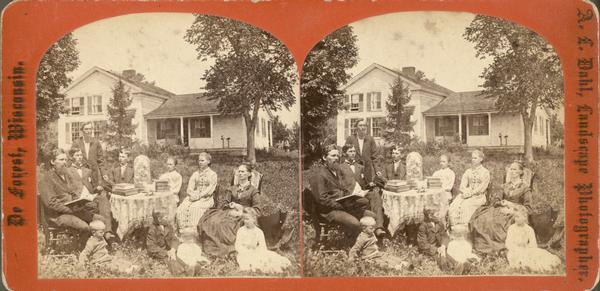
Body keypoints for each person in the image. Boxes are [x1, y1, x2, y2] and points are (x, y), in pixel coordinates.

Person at [38, 147, 105, 248]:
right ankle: (81, 252)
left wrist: (82, 201)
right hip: (57, 216)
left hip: (72, 210)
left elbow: (73, 193)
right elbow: (51, 203)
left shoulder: (66, 176)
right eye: (61, 160)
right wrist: (71, 210)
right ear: (52, 161)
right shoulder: (46, 179)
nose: (64, 162)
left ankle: (93, 249)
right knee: (85, 227)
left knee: (100, 219)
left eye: (65, 159)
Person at [309, 144, 374, 242]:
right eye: (333, 156)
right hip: (328, 211)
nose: (337, 158)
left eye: (337, 155)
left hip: (342, 206)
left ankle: (366, 243)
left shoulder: (337, 171)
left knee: (372, 216)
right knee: (355, 224)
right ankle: (354, 247)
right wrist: (342, 205)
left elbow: (344, 189)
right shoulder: (319, 175)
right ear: (324, 157)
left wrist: (351, 197)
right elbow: (321, 199)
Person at [198, 163, 264, 257]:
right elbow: (224, 203)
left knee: (227, 226)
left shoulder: (253, 191)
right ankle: (213, 246)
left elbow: (257, 209)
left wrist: (241, 209)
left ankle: (226, 249)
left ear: (249, 174)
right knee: (213, 221)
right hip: (230, 212)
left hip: (243, 215)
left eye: (243, 171)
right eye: (239, 171)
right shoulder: (232, 188)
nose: (240, 173)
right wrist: (230, 207)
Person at [470, 161, 532, 254]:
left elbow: (528, 208)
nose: (511, 171)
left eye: (514, 169)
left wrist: (511, 205)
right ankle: (483, 247)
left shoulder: (525, 188)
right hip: (501, 209)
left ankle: (497, 248)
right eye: (510, 169)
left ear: (520, 172)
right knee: (484, 219)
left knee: (499, 224)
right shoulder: (505, 186)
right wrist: (501, 202)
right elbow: (496, 200)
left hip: (515, 212)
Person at [339, 144, 386, 238]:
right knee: (365, 201)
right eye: (350, 151)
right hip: (350, 196)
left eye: (354, 151)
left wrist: (369, 185)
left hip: (361, 193)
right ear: (344, 153)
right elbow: (340, 185)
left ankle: (379, 228)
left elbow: (363, 184)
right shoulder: (340, 167)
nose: (353, 153)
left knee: (375, 195)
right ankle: (372, 229)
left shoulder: (360, 167)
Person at [66, 146, 113, 234]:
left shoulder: (87, 170)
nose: (80, 157)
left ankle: (108, 231)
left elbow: (91, 186)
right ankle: (104, 234)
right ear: (72, 157)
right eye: (77, 155)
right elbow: (68, 188)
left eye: (81, 155)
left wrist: (97, 188)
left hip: (90, 196)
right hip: (79, 199)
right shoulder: (67, 171)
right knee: (94, 205)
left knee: (103, 198)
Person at [235, 209, 291, 273]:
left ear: (254, 219)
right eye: (244, 219)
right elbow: (237, 245)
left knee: (266, 258)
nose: (245, 221)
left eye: (247, 219)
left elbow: (263, 247)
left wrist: (256, 250)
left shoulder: (258, 232)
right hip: (244, 253)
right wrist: (245, 251)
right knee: (248, 263)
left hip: (256, 252)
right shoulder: (241, 230)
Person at [448, 150, 490, 228]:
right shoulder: (468, 171)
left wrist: (471, 193)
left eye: (475, 158)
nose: (473, 160)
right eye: (472, 158)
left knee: (466, 206)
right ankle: (454, 229)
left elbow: (482, 187)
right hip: (466, 194)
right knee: (453, 205)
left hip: (478, 196)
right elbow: (462, 185)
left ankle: (465, 229)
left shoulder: (485, 172)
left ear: (481, 159)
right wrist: (465, 192)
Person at [177, 152, 217, 233]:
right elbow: (190, 187)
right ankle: (182, 231)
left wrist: (199, 196)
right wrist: (191, 194)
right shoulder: (195, 174)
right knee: (182, 208)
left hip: (206, 198)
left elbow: (210, 189)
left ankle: (194, 231)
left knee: (195, 208)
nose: (200, 162)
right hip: (194, 196)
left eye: (202, 160)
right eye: (199, 161)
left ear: (208, 161)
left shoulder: (212, 174)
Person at [146, 210, 185, 275]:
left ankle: (190, 269)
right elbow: (151, 247)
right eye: (166, 217)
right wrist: (167, 253)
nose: (168, 219)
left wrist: (173, 249)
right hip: (160, 254)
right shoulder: (152, 230)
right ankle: (181, 275)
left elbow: (174, 239)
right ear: (159, 219)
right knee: (173, 263)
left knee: (182, 257)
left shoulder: (168, 226)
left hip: (170, 251)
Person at [345, 120, 379, 184]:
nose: (362, 127)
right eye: (360, 125)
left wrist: (377, 170)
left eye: (364, 125)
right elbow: (345, 154)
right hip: (354, 169)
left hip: (367, 170)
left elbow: (374, 156)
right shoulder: (350, 138)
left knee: (367, 189)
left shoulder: (370, 139)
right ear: (356, 127)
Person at [73, 122, 105, 188]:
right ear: (82, 130)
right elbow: (72, 158)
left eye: (90, 129)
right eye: (86, 129)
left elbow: (100, 160)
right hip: (81, 173)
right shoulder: (76, 142)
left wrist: (103, 173)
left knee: (94, 193)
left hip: (93, 173)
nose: (88, 131)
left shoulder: (96, 142)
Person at [431, 154, 456, 222]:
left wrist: (440, 189)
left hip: (446, 193)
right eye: (440, 161)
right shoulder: (436, 173)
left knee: (442, 203)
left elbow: (449, 187)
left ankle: (441, 222)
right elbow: (431, 183)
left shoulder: (451, 173)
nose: (441, 163)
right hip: (435, 193)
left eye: (444, 161)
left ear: (448, 163)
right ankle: (431, 221)